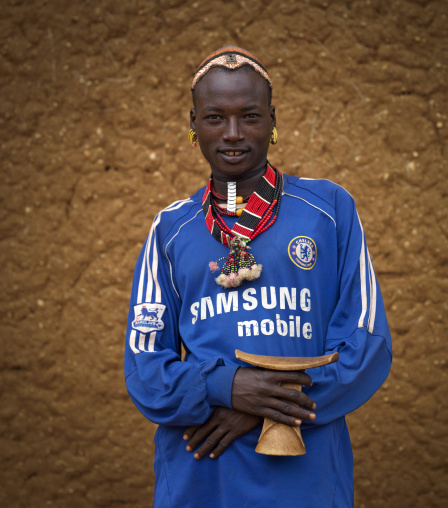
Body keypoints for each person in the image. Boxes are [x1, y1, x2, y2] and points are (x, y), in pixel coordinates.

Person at [125, 46, 392, 507]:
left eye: (249, 116)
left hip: (305, 476)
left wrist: (266, 407)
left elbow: (366, 345)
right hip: (203, 472)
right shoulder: (170, 228)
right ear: (193, 125)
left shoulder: (329, 211)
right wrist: (224, 388)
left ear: (273, 120)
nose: (232, 134)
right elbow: (145, 366)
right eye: (214, 118)